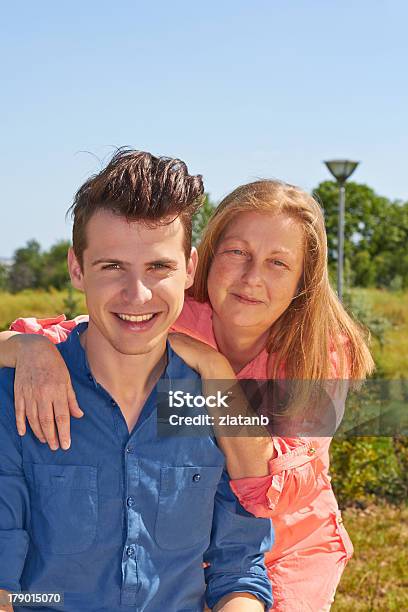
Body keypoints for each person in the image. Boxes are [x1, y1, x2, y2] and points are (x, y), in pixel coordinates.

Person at [1, 178, 374, 610]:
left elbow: (265, 485)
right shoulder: (176, 312)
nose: (252, 278)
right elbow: (86, 329)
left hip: (291, 538)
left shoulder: (322, 352)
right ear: (207, 259)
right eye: (237, 253)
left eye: (278, 263)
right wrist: (26, 348)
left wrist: (216, 373)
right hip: (200, 542)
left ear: (303, 280)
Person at [0, 150, 274, 612]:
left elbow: (239, 567)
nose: (137, 294)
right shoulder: (16, 397)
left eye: (158, 267)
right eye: (112, 267)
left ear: (189, 268)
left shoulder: (213, 402)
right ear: (76, 268)